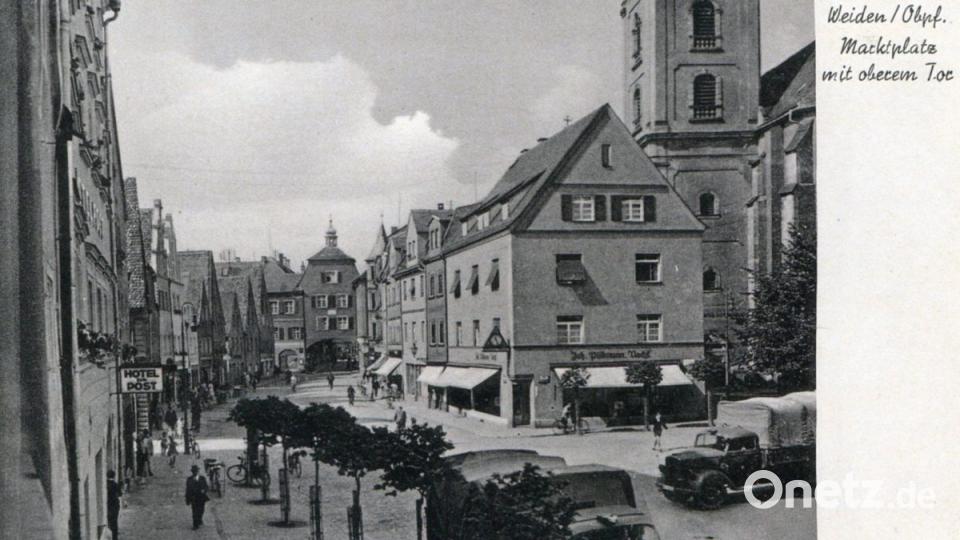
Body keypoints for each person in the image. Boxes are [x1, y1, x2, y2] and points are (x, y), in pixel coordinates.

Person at [184, 465, 209, 530]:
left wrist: (204, 490)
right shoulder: (189, 479)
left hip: (201, 497)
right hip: (193, 498)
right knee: (194, 511)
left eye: (196, 471)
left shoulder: (202, 478)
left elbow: (206, 487)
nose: (194, 472)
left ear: (198, 471)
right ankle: (195, 525)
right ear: (192, 472)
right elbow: (188, 490)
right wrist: (187, 499)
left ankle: (200, 519)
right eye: (193, 471)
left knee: (201, 510)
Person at [107, 470, 122, 539]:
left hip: (108, 505)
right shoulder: (116, 484)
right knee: (114, 522)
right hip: (115, 506)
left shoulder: (105, 484)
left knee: (108, 521)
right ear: (114, 476)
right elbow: (120, 495)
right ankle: (114, 537)